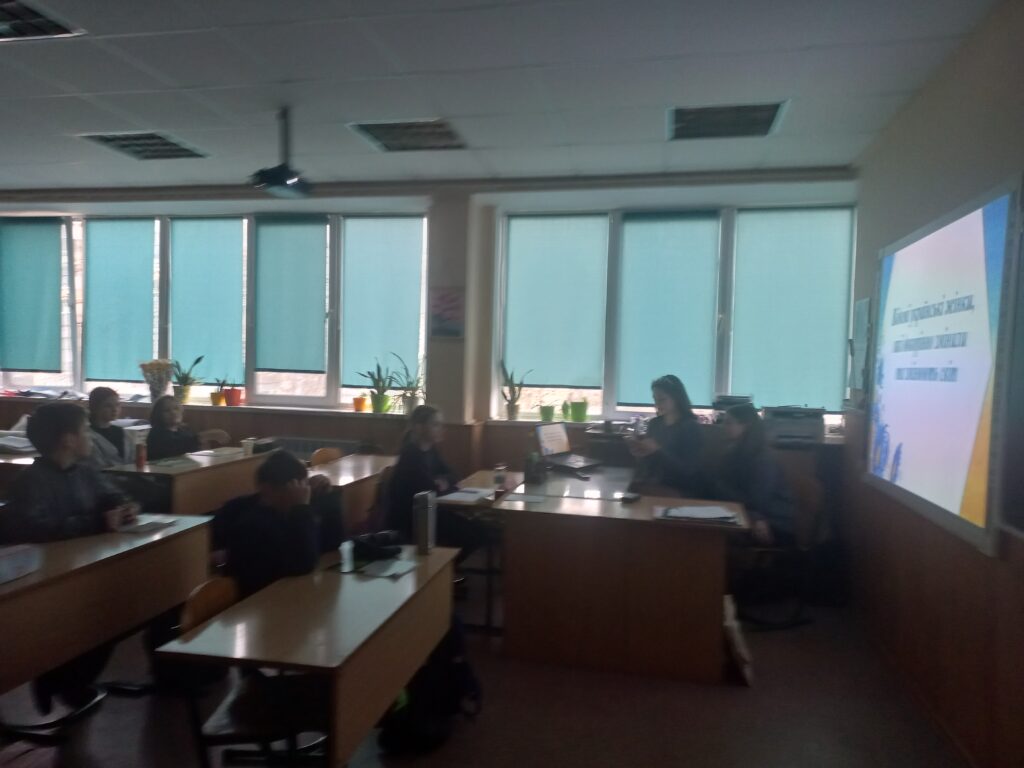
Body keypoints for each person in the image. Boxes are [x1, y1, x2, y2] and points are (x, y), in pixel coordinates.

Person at [0, 402, 138, 717]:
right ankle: (56, 677)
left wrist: (123, 507)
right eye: (85, 430)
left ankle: (70, 681)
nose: (90, 436)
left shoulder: (85, 470)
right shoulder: (31, 481)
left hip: (84, 564)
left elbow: (112, 495)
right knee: (87, 618)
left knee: (117, 614)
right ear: (67, 440)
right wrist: (98, 522)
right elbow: (39, 529)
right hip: (41, 578)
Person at [212, 451, 344, 596]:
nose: (302, 495)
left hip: (286, 592)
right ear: (267, 489)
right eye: (294, 489)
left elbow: (332, 542)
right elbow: (303, 564)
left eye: (303, 487)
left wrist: (327, 496)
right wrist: (300, 509)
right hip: (257, 600)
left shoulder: (293, 508)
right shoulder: (251, 523)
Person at [388, 405, 482, 563]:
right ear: (419, 427)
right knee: (475, 533)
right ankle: (443, 569)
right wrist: (443, 484)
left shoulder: (431, 450)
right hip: (413, 519)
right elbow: (431, 490)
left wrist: (444, 482)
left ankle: (445, 567)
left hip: (431, 511)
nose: (441, 429)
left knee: (478, 530)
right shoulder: (411, 455)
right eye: (435, 424)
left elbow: (454, 475)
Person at [715, 403, 796, 547]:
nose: (723, 427)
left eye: (729, 423)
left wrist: (755, 517)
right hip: (747, 514)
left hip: (773, 523)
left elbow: (758, 502)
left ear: (746, 426)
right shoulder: (733, 453)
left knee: (717, 537)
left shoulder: (763, 459)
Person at [626, 374, 704, 497]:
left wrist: (658, 450)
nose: (657, 404)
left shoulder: (690, 427)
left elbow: (688, 470)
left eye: (662, 399)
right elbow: (650, 465)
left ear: (677, 399)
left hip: (679, 487)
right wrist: (640, 453)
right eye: (655, 399)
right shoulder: (654, 424)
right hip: (655, 482)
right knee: (624, 488)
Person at [146, 395, 201, 460]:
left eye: (176, 408)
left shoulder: (184, 430)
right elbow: (176, 446)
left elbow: (193, 449)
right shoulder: (156, 433)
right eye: (167, 410)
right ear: (158, 415)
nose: (173, 412)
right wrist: (200, 438)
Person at [88, 386, 125, 468]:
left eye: (117, 405)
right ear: (95, 407)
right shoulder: (88, 434)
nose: (115, 409)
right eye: (108, 406)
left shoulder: (121, 432)